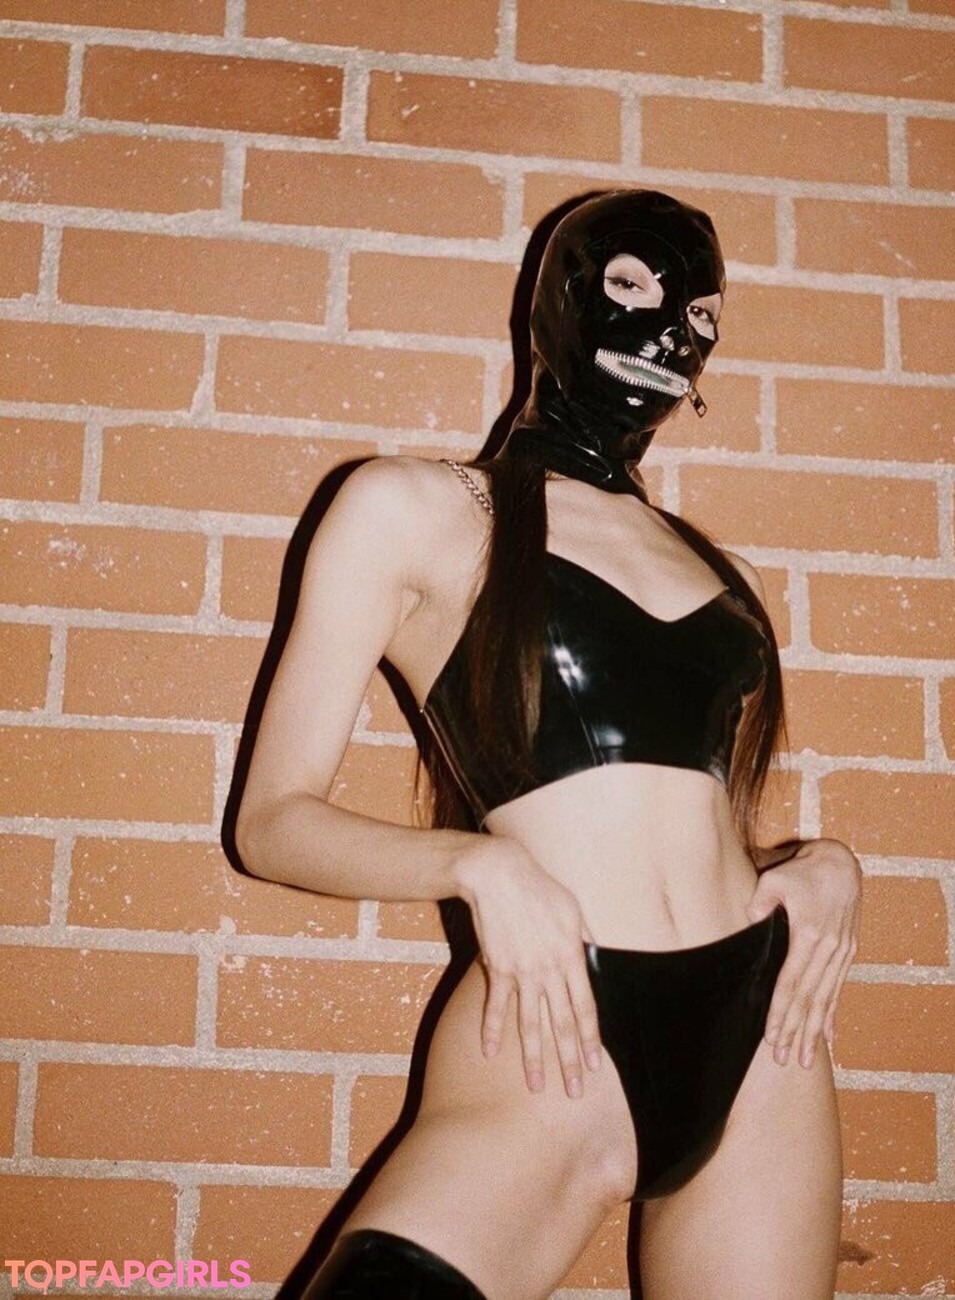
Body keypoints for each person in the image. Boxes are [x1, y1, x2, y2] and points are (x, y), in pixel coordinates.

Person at [235, 189, 861, 1300]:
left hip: (764, 1038)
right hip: (547, 1038)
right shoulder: (416, 508)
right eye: (630, 287)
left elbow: (677, 824)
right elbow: (271, 822)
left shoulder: (719, 572)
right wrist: (476, 866)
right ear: (556, 300)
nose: (667, 335)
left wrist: (819, 864)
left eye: (701, 318)